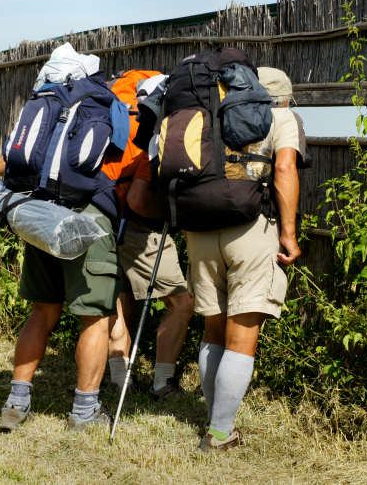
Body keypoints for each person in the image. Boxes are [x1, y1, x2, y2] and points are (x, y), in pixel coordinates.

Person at [0, 156, 121, 432]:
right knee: (94, 317)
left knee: (42, 311)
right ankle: (84, 412)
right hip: (89, 215)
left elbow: (19, 157)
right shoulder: (115, 112)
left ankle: (16, 405)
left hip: (43, 214)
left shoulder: (51, 111)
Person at [188, 67, 306, 451]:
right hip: (251, 230)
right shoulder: (281, 116)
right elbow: (285, 167)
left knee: (212, 329)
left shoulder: (212, 115)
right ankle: (219, 433)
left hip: (202, 230)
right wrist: (288, 234)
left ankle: (213, 421)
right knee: (242, 335)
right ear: (282, 97)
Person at [102, 71, 195, 398]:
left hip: (104, 215)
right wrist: (171, 215)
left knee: (119, 296)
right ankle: (162, 383)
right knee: (181, 302)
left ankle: (119, 377)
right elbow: (141, 200)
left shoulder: (117, 114)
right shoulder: (153, 131)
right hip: (138, 224)